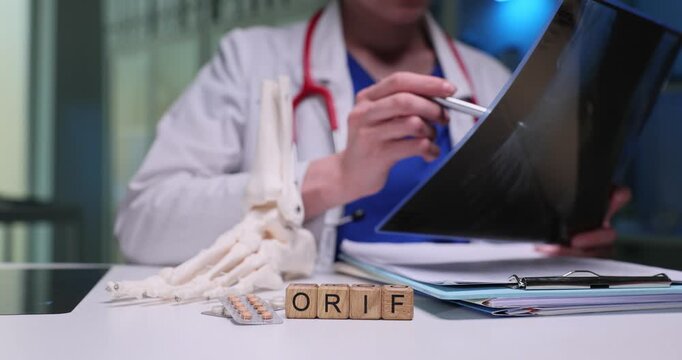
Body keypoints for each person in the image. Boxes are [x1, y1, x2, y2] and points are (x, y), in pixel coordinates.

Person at [115, 0, 630, 265]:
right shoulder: (250, 59)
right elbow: (143, 222)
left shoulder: (491, 81)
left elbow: (507, 255)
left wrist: (562, 245)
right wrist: (332, 178)